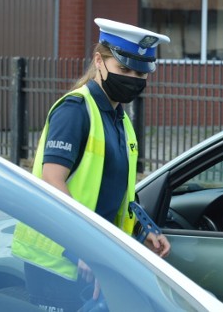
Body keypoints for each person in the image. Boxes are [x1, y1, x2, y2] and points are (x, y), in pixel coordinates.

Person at [12, 18, 171, 312]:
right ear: (99, 60)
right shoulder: (75, 110)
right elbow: (52, 181)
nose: (133, 78)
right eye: (124, 69)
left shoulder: (120, 120)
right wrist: (82, 247)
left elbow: (117, 194)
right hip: (58, 265)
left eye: (141, 72)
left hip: (95, 261)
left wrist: (143, 230)